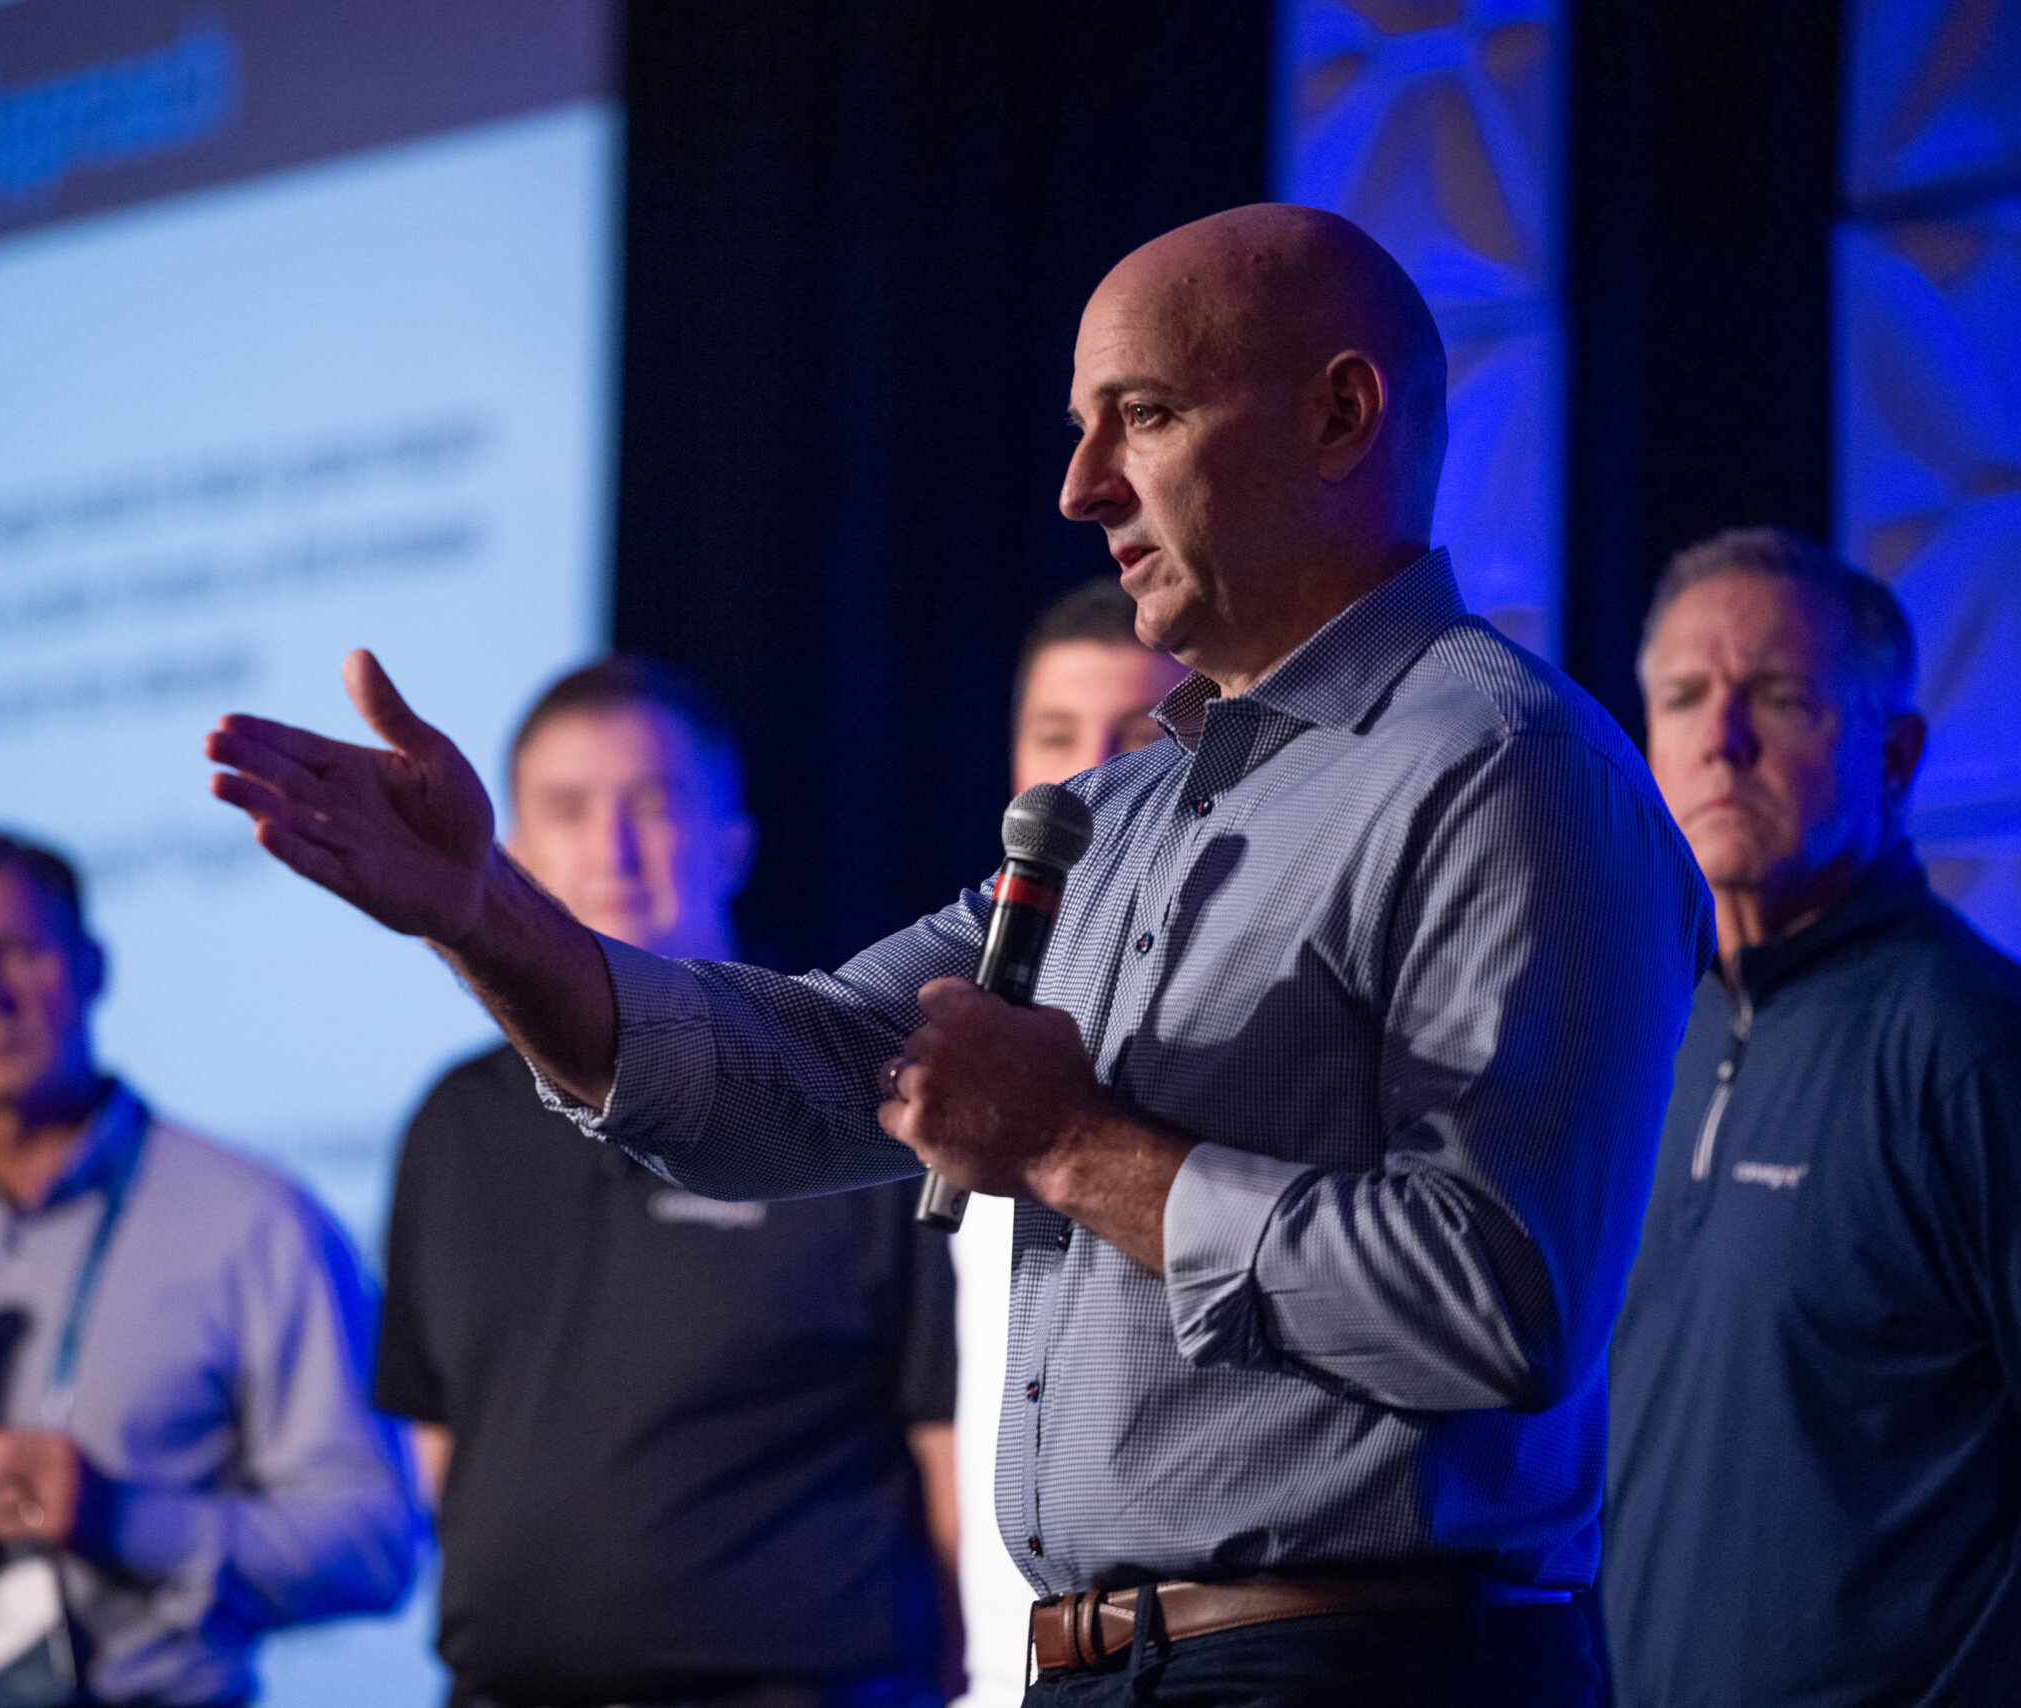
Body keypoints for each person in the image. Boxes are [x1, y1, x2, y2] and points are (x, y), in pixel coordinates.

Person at [204, 202, 1712, 1706]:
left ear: (1340, 412)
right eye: (1081, 427)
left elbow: (1498, 1302)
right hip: (1108, 1670)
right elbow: (787, 1078)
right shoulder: (1117, 813)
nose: (1078, 487)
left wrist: (1072, 1145)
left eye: (1146, 415)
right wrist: (486, 913)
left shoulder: (1505, 766)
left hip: (1358, 1667)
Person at [376, 656, 963, 1708]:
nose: (613, 847)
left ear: (731, 841)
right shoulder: (452, 1120)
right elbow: (440, 1436)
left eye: (653, 804)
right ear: (508, 851)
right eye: (568, 808)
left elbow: (946, 1443)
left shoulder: (852, 1090)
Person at [0, 832, 422, 1706]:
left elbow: (377, 1546)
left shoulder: (261, 1225)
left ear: (93, 968)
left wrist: (126, 1521)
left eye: (18, 952)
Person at [1600, 529, 2021, 1706]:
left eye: (1779, 698)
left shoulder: (1970, 1046)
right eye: (1683, 698)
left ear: (1895, 753)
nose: (1719, 740)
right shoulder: (1639, 1042)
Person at [953, 581, 1187, 1704]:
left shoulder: (1215, 1032)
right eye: (1056, 739)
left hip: (1188, 1654)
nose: (1088, 780)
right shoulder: (950, 1009)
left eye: (1135, 739)